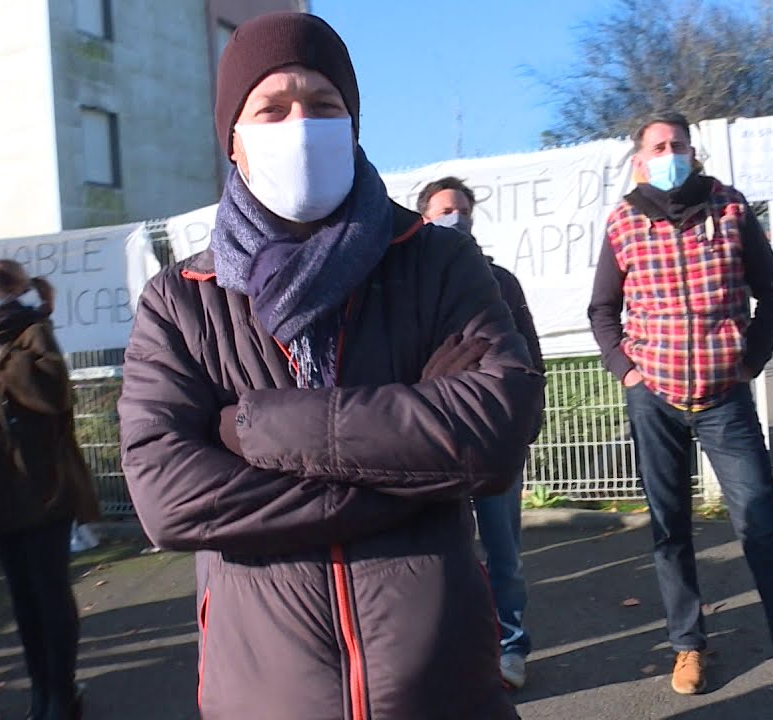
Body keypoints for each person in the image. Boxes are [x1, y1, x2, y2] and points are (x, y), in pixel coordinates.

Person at [118, 12, 544, 720]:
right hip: (266, 696)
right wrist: (409, 476)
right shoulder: (182, 300)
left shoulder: (436, 259)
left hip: (442, 686)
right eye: (273, 109)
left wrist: (258, 428)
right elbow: (168, 498)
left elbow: (494, 429)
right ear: (233, 139)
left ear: (352, 125)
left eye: (323, 104)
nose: (301, 125)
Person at [587, 112, 773, 712]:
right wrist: (627, 371)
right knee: (669, 529)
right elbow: (602, 310)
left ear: (693, 151)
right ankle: (687, 644)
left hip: (723, 397)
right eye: (658, 147)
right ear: (639, 161)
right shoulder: (624, 220)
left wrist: (748, 362)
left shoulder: (729, 208)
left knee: (763, 525)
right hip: (654, 397)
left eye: (677, 144)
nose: (670, 154)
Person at [0, 260, 99, 720]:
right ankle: (41, 691)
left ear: (12, 294)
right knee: (23, 601)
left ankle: (62, 693)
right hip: (0, 494)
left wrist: (4, 361)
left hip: (43, 490)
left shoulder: (33, 333)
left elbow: (53, 394)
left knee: (50, 596)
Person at [417, 176, 544, 689]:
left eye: (464, 211)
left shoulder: (500, 282)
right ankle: (457, 655)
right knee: (440, 557)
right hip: (435, 444)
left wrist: (525, 426)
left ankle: (510, 647)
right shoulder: (409, 286)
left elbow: (530, 357)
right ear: (423, 219)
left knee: (503, 555)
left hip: (494, 445)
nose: (457, 219)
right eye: (446, 211)